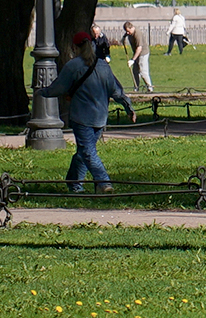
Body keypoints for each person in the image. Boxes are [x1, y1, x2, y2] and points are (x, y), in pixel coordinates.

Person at [40, 27, 135, 194]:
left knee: (87, 152)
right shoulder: (104, 67)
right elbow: (116, 91)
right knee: (85, 151)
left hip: (81, 117)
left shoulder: (73, 66)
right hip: (100, 117)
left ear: (75, 47)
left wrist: (42, 92)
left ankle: (103, 183)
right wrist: (128, 108)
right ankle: (74, 183)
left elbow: (59, 88)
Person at [123, 20, 154, 93]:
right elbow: (126, 35)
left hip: (143, 53)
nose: (127, 33)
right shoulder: (129, 33)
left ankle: (150, 88)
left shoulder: (137, 34)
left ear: (131, 28)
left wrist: (133, 60)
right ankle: (136, 88)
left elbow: (139, 48)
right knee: (135, 72)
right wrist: (123, 39)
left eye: (128, 31)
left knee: (143, 72)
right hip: (136, 53)